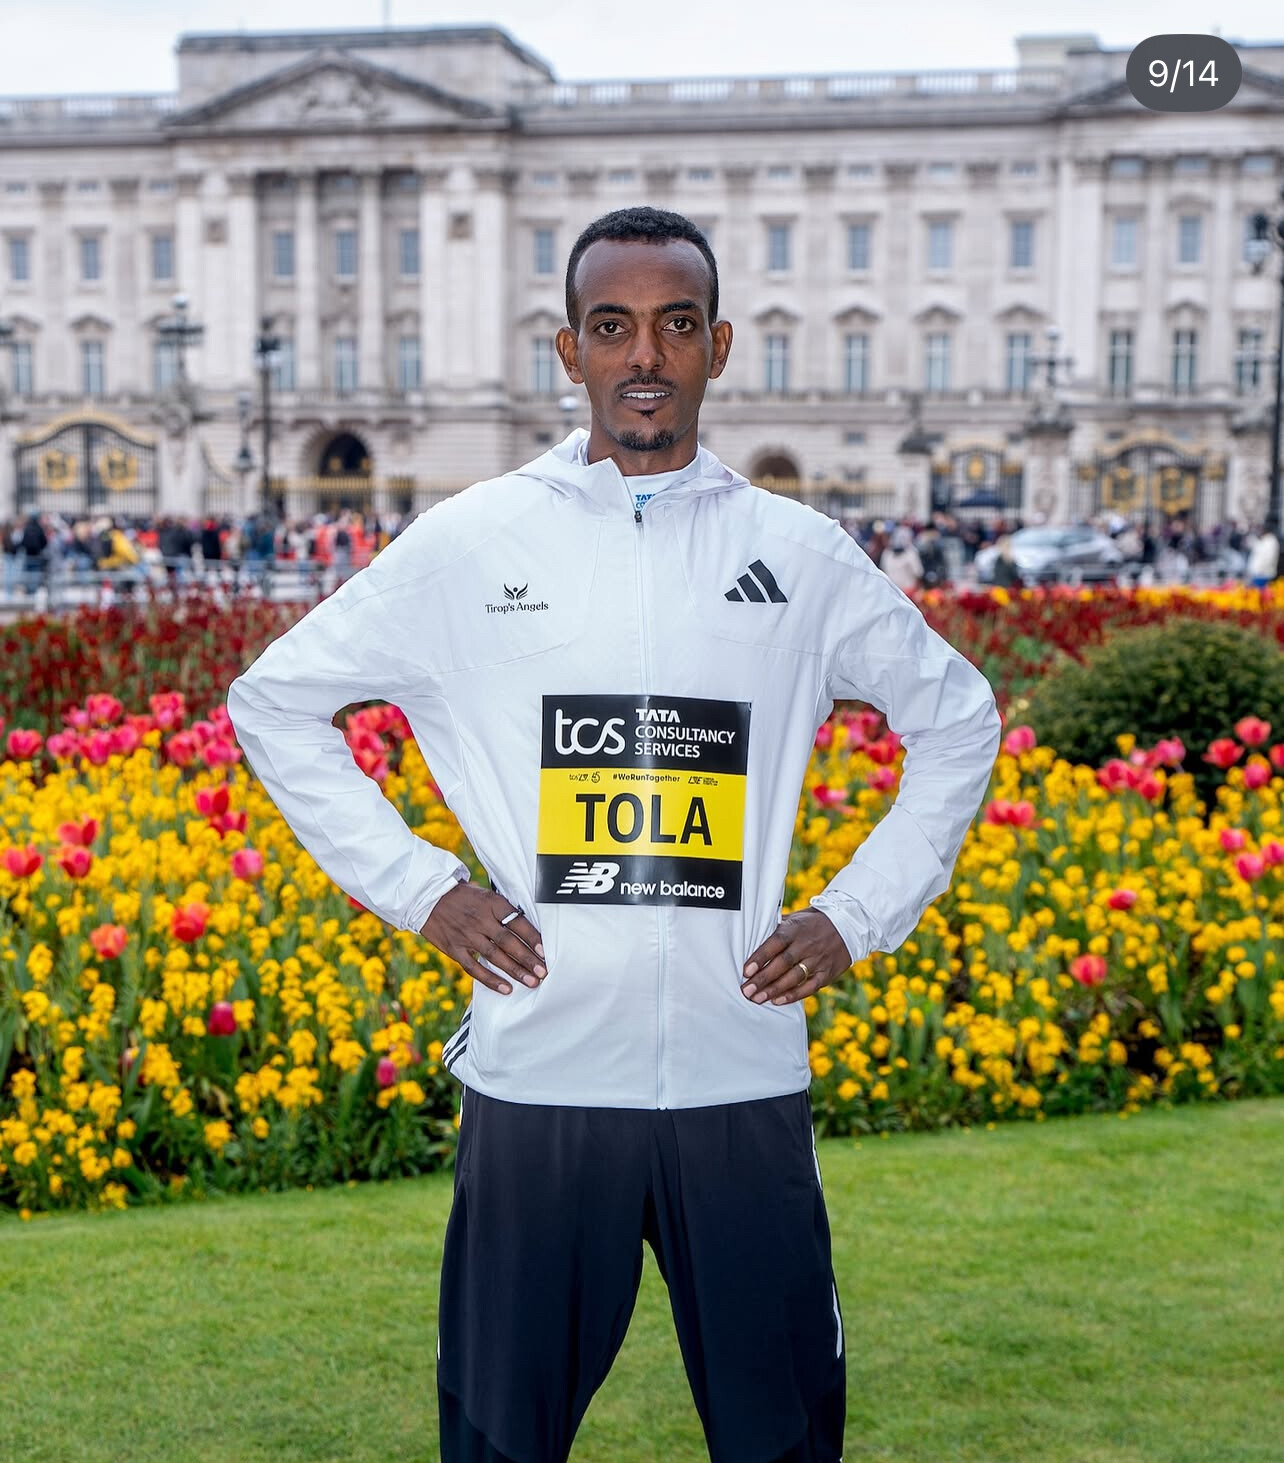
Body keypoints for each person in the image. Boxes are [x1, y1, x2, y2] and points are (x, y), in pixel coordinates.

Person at [226, 206, 1001, 1463]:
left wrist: (853, 916)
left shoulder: (799, 552)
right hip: (541, 1082)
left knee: (786, 1438)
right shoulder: (472, 539)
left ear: (719, 346)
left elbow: (959, 719)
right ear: (569, 350)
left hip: (738, 1075)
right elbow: (274, 701)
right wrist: (424, 890)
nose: (645, 354)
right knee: (501, 1439)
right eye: (612, 325)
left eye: (676, 324)